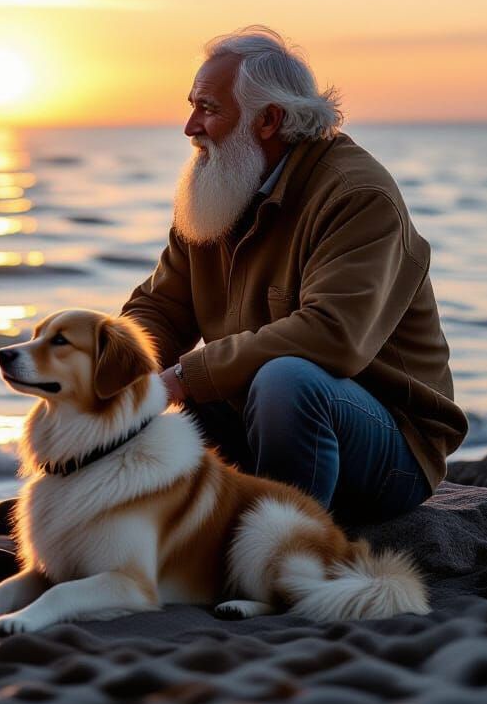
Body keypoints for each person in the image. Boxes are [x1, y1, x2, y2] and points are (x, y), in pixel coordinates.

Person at [122, 25, 468, 523]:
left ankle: (280, 552)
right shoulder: (218, 187)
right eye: (193, 105)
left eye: (209, 108)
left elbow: (331, 337)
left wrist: (183, 377)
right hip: (256, 419)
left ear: (269, 120)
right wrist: (115, 374)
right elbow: (160, 309)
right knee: (140, 406)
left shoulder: (356, 195)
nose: (190, 126)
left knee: (286, 378)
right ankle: (94, 534)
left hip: (388, 447)